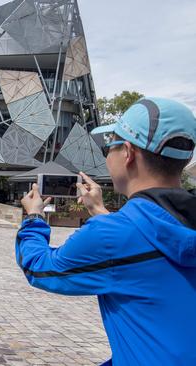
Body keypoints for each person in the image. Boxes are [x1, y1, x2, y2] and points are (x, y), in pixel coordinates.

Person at [16, 97, 196, 365]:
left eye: (107, 147)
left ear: (128, 153)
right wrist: (102, 213)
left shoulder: (111, 236)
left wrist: (33, 217)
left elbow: (40, 268)